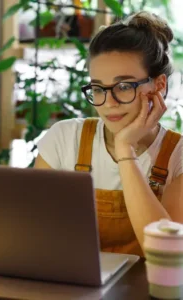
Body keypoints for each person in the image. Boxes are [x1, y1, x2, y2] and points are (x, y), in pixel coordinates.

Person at [34, 11, 183, 256]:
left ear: (159, 85)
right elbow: (33, 230)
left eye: (124, 86)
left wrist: (125, 150)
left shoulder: (177, 155)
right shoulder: (65, 138)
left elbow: (166, 254)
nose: (108, 102)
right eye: (98, 88)